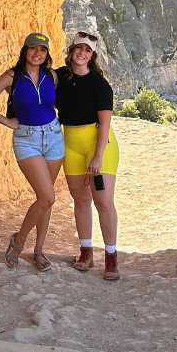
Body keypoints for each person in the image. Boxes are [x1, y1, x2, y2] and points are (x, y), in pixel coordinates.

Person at [0, 31, 65, 271]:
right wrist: (7, 121)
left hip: (54, 137)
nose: (37, 53)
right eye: (33, 48)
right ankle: (18, 241)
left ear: (47, 54)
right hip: (27, 140)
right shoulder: (12, 77)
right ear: (25, 50)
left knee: (46, 200)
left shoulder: (52, 76)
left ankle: (39, 251)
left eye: (42, 50)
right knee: (47, 197)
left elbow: (55, 104)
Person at [56, 31, 121, 281]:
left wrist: (98, 156)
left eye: (88, 50)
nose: (82, 53)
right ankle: (86, 253)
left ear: (92, 56)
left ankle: (111, 257)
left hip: (99, 145)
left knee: (103, 201)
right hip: (71, 145)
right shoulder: (60, 77)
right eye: (79, 48)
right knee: (81, 200)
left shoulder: (99, 83)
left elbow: (105, 122)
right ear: (71, 50)